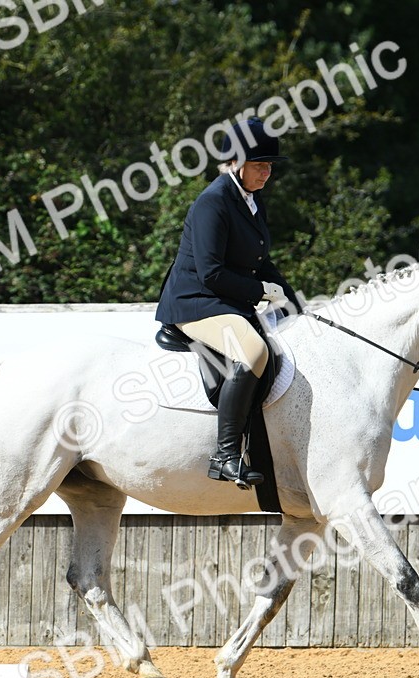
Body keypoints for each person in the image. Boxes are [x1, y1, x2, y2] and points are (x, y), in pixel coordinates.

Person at [155, 117, 303, 487]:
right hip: (196, 302)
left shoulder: (251, 201)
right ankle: (225, 456)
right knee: (253, 351)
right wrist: (261, 293)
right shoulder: (214, 203)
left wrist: (293, 301)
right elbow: (211, 274)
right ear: (235, 162)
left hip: (226, 302)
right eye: (259, 165)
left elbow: (260, 261)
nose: (266, 172)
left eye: (269, 165)